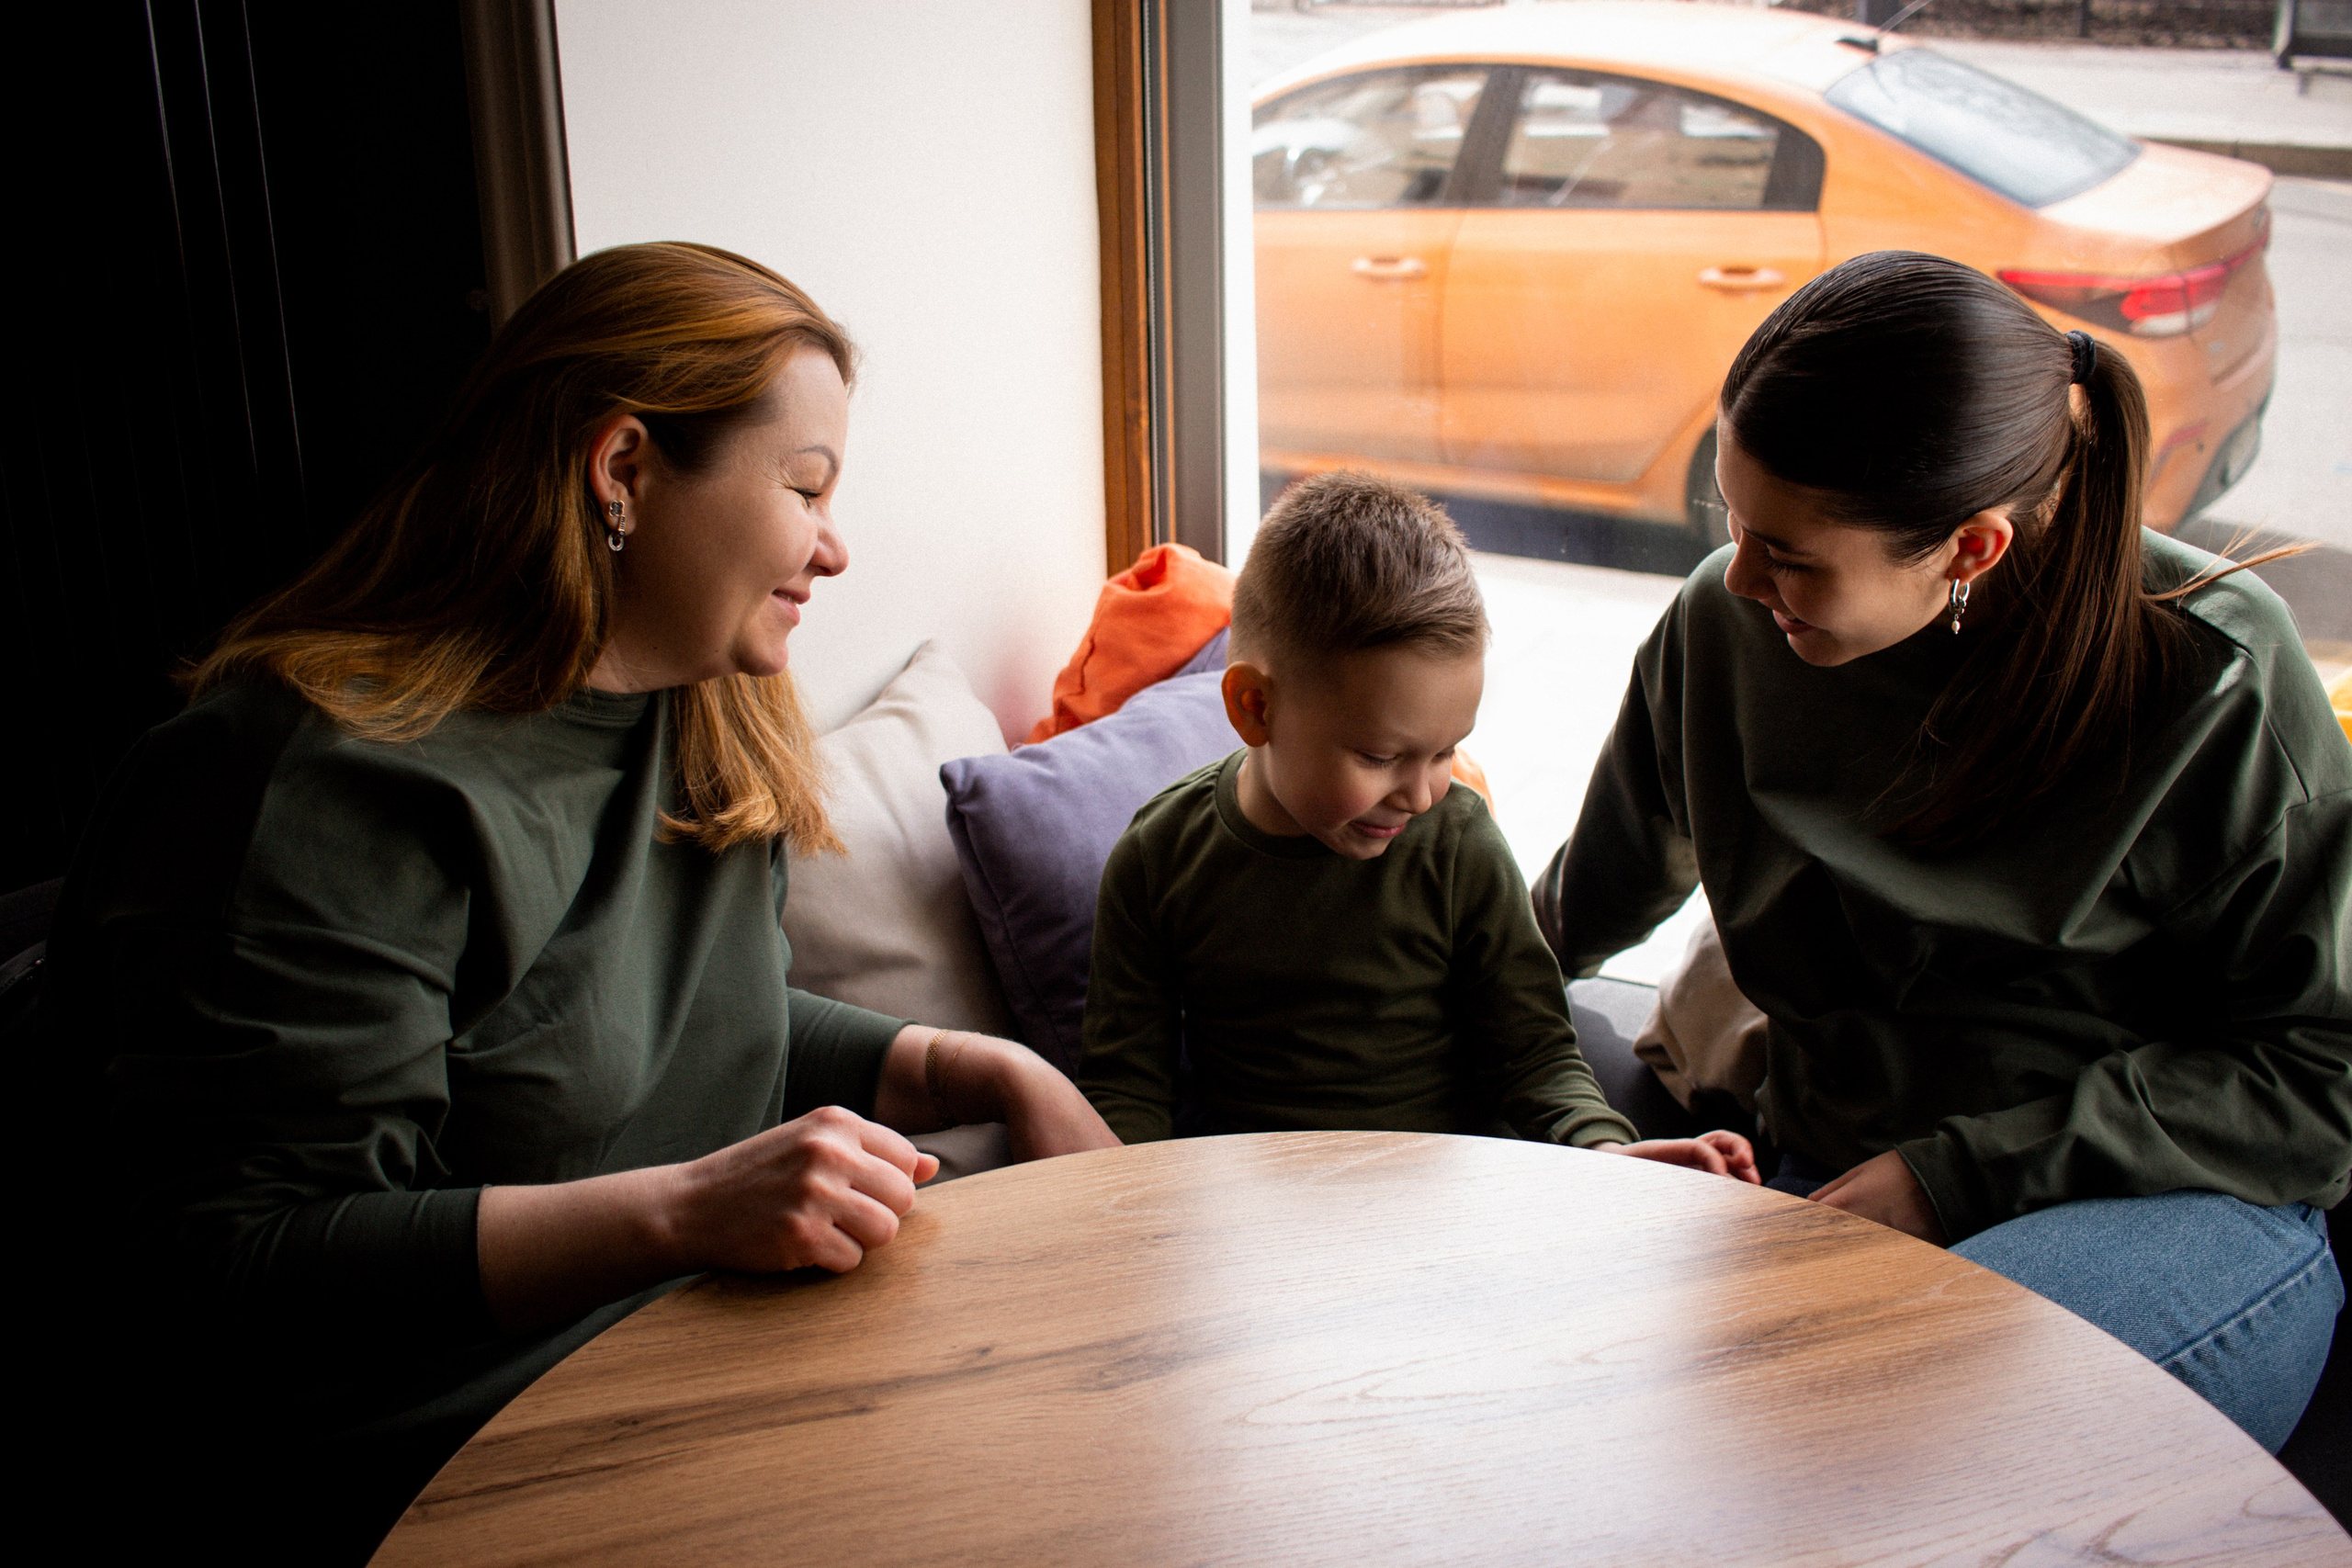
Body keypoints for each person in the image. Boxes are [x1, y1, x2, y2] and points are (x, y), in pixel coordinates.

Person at [28, 242, 1116, 1559]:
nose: (835, 547)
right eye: (804, 486)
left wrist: (974, 1065)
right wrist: (685, 1207)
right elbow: (246, 1262)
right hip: (434, 1470)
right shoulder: (307, 787)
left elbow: (673, 1020)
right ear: (622, 472)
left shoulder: (704, 703)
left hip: (695, 1361)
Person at [1538, 251, 2352, 1450]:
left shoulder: (2211, 676)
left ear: (1970, 548)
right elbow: (1563, 914)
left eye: (1795, 553)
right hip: (1827, 1171)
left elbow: (2322, 1066)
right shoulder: (1728, 626)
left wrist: (1949, 1176)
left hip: (2158, 1197)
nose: (1740, 575)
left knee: (1893, 1431)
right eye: (1735, 521)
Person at [1077, 471, 1757, 1182]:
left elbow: (1535, 1054)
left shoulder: (1459, 846)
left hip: (1445, 1208)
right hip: (1255, 1216)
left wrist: (1611, 1154)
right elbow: (1126, 1088)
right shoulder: (1159, 860)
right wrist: (1131, 1212)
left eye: (1444, 751)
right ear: (1254, 707)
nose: (1424, 794)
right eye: (1380, 756)